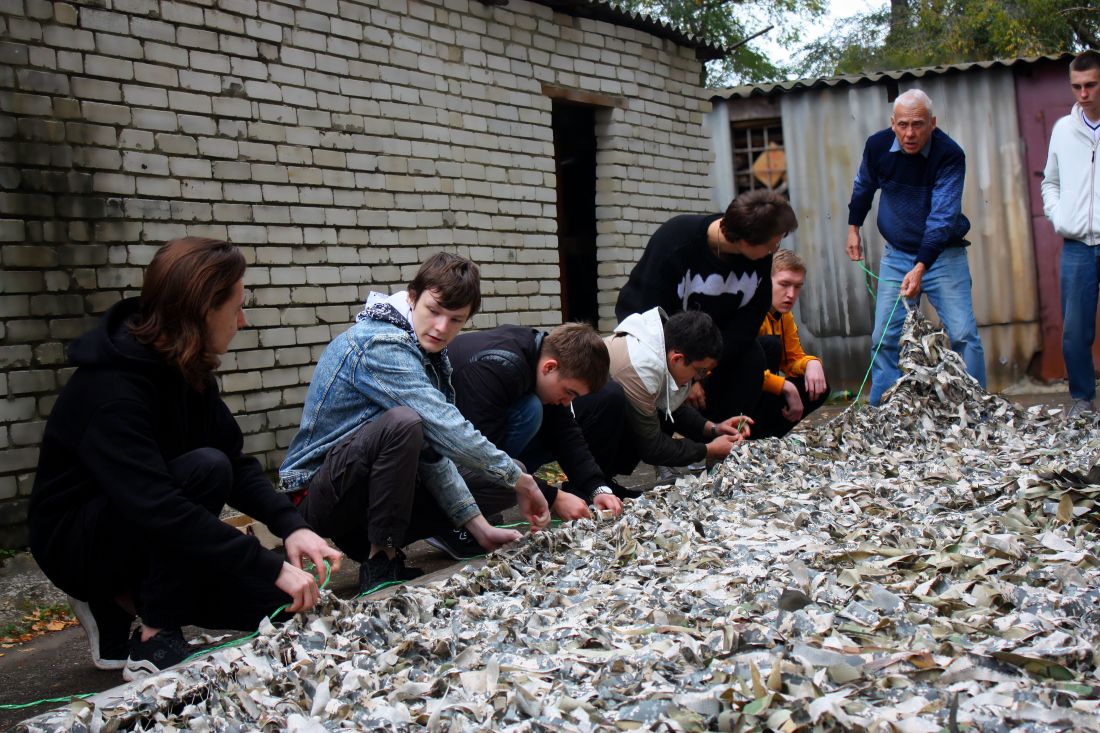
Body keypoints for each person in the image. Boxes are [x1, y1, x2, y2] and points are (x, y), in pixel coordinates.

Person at [29, 238, 341, 681]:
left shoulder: (188, 370)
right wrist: (270, 564)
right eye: (236, 307)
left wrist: (294, 527)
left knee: (278, 606)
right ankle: (152, 633)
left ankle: (127, 597)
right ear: (201, 310)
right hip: (79, 541)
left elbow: (237, 465)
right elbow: (161, 506)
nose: (243, 319)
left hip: (152, 525)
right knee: (205, 468)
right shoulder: (111, 391)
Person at [279, 253, 551, 589]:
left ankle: (391, 542)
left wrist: (479, 528)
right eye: (434, 311)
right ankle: (382, 560)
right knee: (406, 424)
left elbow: (433, 452)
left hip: (364, 498)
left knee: (498, 476)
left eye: (456, 320)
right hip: (317, 498)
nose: (442, 328)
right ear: (412, 297)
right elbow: (447, 428)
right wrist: (521, 481)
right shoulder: (380, 343)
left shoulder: (426, 351)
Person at [427, 322, 622, 558]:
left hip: (470, 442)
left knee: (539, 416)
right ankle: (445, 521)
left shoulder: (537, 355)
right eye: (570, 392)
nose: (567, 402)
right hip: (428, 465)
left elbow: (565, 433)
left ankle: (481, 506)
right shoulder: (495, 368)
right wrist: (552, 497)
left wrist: (596, 488)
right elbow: (480, 457)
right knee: (531, 412)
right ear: (550, 368)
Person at [846, 88, 986, 405]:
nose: (910, 133)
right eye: (904, 124)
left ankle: (979, 411)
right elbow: (864, 186)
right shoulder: (877, 146)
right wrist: (853, 227)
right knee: (884, 338)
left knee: (964, 334)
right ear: (893, 123)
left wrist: (921, 266)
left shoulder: (949, 155)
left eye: (918, 124)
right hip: (897, 256)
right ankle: (883, 411)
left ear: (932, 123)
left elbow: (942, 218)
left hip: (943, 256)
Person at [615, 190, 798, 423]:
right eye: (772, 244)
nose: (775, 250)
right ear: (744, 241)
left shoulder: (758, 258)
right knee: (661, 375)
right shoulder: (676, 242)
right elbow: (646, 316)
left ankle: (728, 440)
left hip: (712, 353)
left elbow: (747, 323)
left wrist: (702, 371)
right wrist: (686, 375)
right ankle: (670, 443)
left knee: (755, 354)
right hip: (661, 351)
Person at [572, 309, 751, 492]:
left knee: (647, 411)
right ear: (677, 359)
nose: (699, 378)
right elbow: (653, 448)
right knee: (614, 397)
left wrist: (714, 428)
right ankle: (586, 487)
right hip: (572, 419)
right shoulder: (643, 367)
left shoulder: (662, 347)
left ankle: (602, 480)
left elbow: (670, 408)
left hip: (591, 411)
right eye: (701, 370)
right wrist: (708, 450)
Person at [1042, 50, 1100, 418]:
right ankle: (1082, 399)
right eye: (1077, 86)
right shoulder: (1064, 129)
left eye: (1091, 84)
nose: (1083, 93)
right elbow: (1051, 181)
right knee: (1075, 331)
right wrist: (1058, 215)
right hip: (1078, 245)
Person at [749, 249, 829, 438]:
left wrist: (812, 362)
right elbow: (740, 370)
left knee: (816, 388)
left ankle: (764, 438)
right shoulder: (749, 312)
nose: (791, 294)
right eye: (784, 284)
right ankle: (743, 437)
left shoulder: (783, 316)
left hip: (760, 388)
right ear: (765, 281)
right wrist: (785, 386)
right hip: (729, 394)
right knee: (770, 345)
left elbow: (793, 360)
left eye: (797, 286)